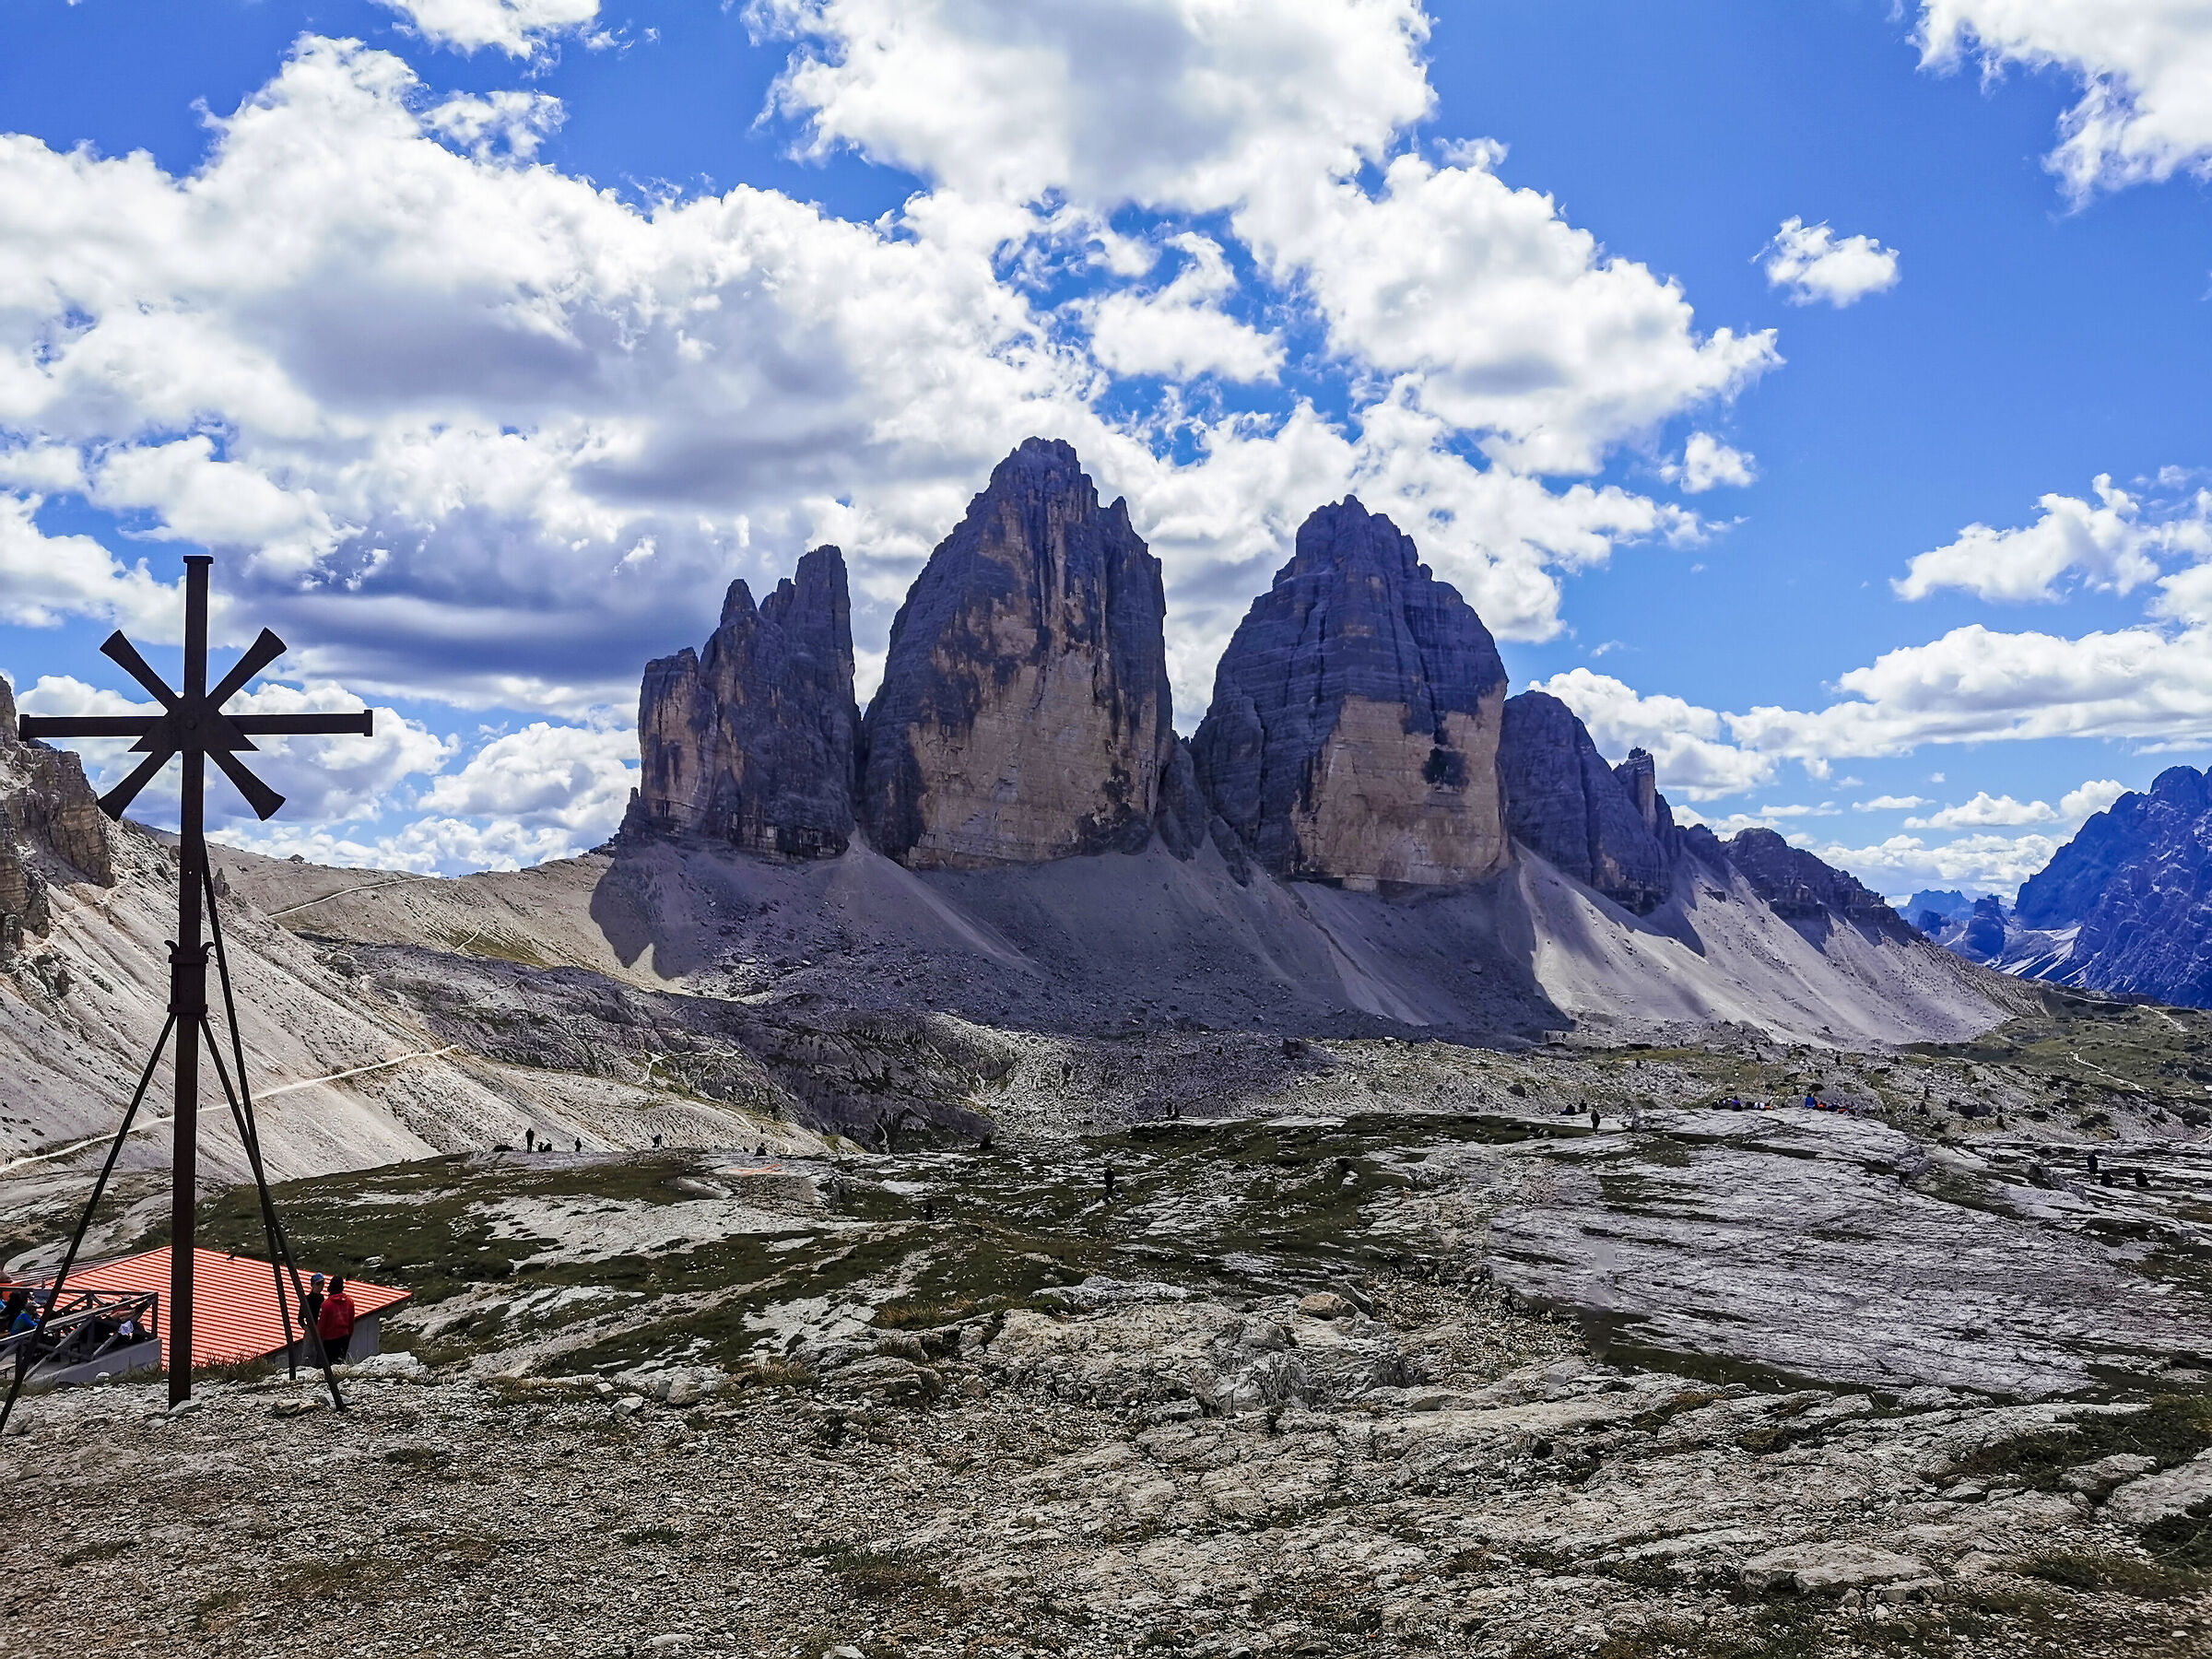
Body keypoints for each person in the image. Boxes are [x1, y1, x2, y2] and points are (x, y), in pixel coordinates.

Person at [319, 1276, 357, 1366]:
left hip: (329, 1340)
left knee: (329, 1364)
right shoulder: (349, 1302)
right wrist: (349, 1334)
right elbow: (351, 1322)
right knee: (340, 1362)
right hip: (344, 1337)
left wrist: (320, 1339)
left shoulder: (326, 1305)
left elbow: (321, 1325)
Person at [300, 1274, 326, 1360]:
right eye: (318, 1284)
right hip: (311, 1329)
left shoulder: (322, 1298)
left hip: (321, 1328)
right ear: (313, 1285)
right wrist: (306, 1328)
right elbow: (300, 1318)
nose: (321, 1286)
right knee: (308, 1354)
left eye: (322, 1284)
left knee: (319, 1353)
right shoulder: (307, 1299)